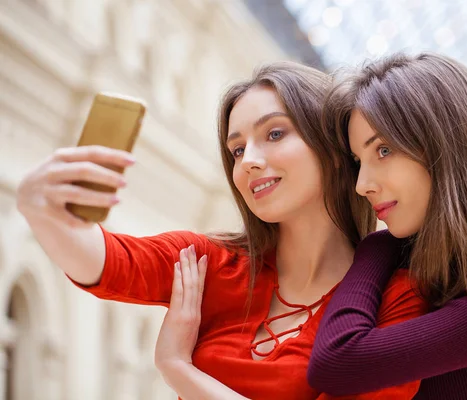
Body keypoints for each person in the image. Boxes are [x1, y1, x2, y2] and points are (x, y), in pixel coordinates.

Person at [16, 61, 425, 399]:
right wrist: (44, 211)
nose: (248, 160)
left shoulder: (397, 298)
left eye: (274, 134)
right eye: (237, 149)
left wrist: (178, 369)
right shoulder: (214, 263)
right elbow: (109, 261)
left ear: (335, 151)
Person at [306, 52, 467, 400]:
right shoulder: (409, 257)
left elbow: (339, 360)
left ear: (447, 149)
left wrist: (376, 247)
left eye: (383, 150)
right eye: (359, 161)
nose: (362, 184)